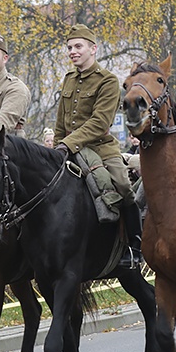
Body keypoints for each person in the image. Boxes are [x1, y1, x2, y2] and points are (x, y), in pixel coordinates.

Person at [53, 24, 143, 268]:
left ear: (93, 49)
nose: (73, 51)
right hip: (68, 146)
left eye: (78, 46)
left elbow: (99, 122)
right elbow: (61, 121)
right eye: (70, 47)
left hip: (100, 147)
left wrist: (67, 143)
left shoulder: (108, 81)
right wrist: (55, 149)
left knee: (123, 186)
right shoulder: (69, 79)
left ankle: (135, 246)